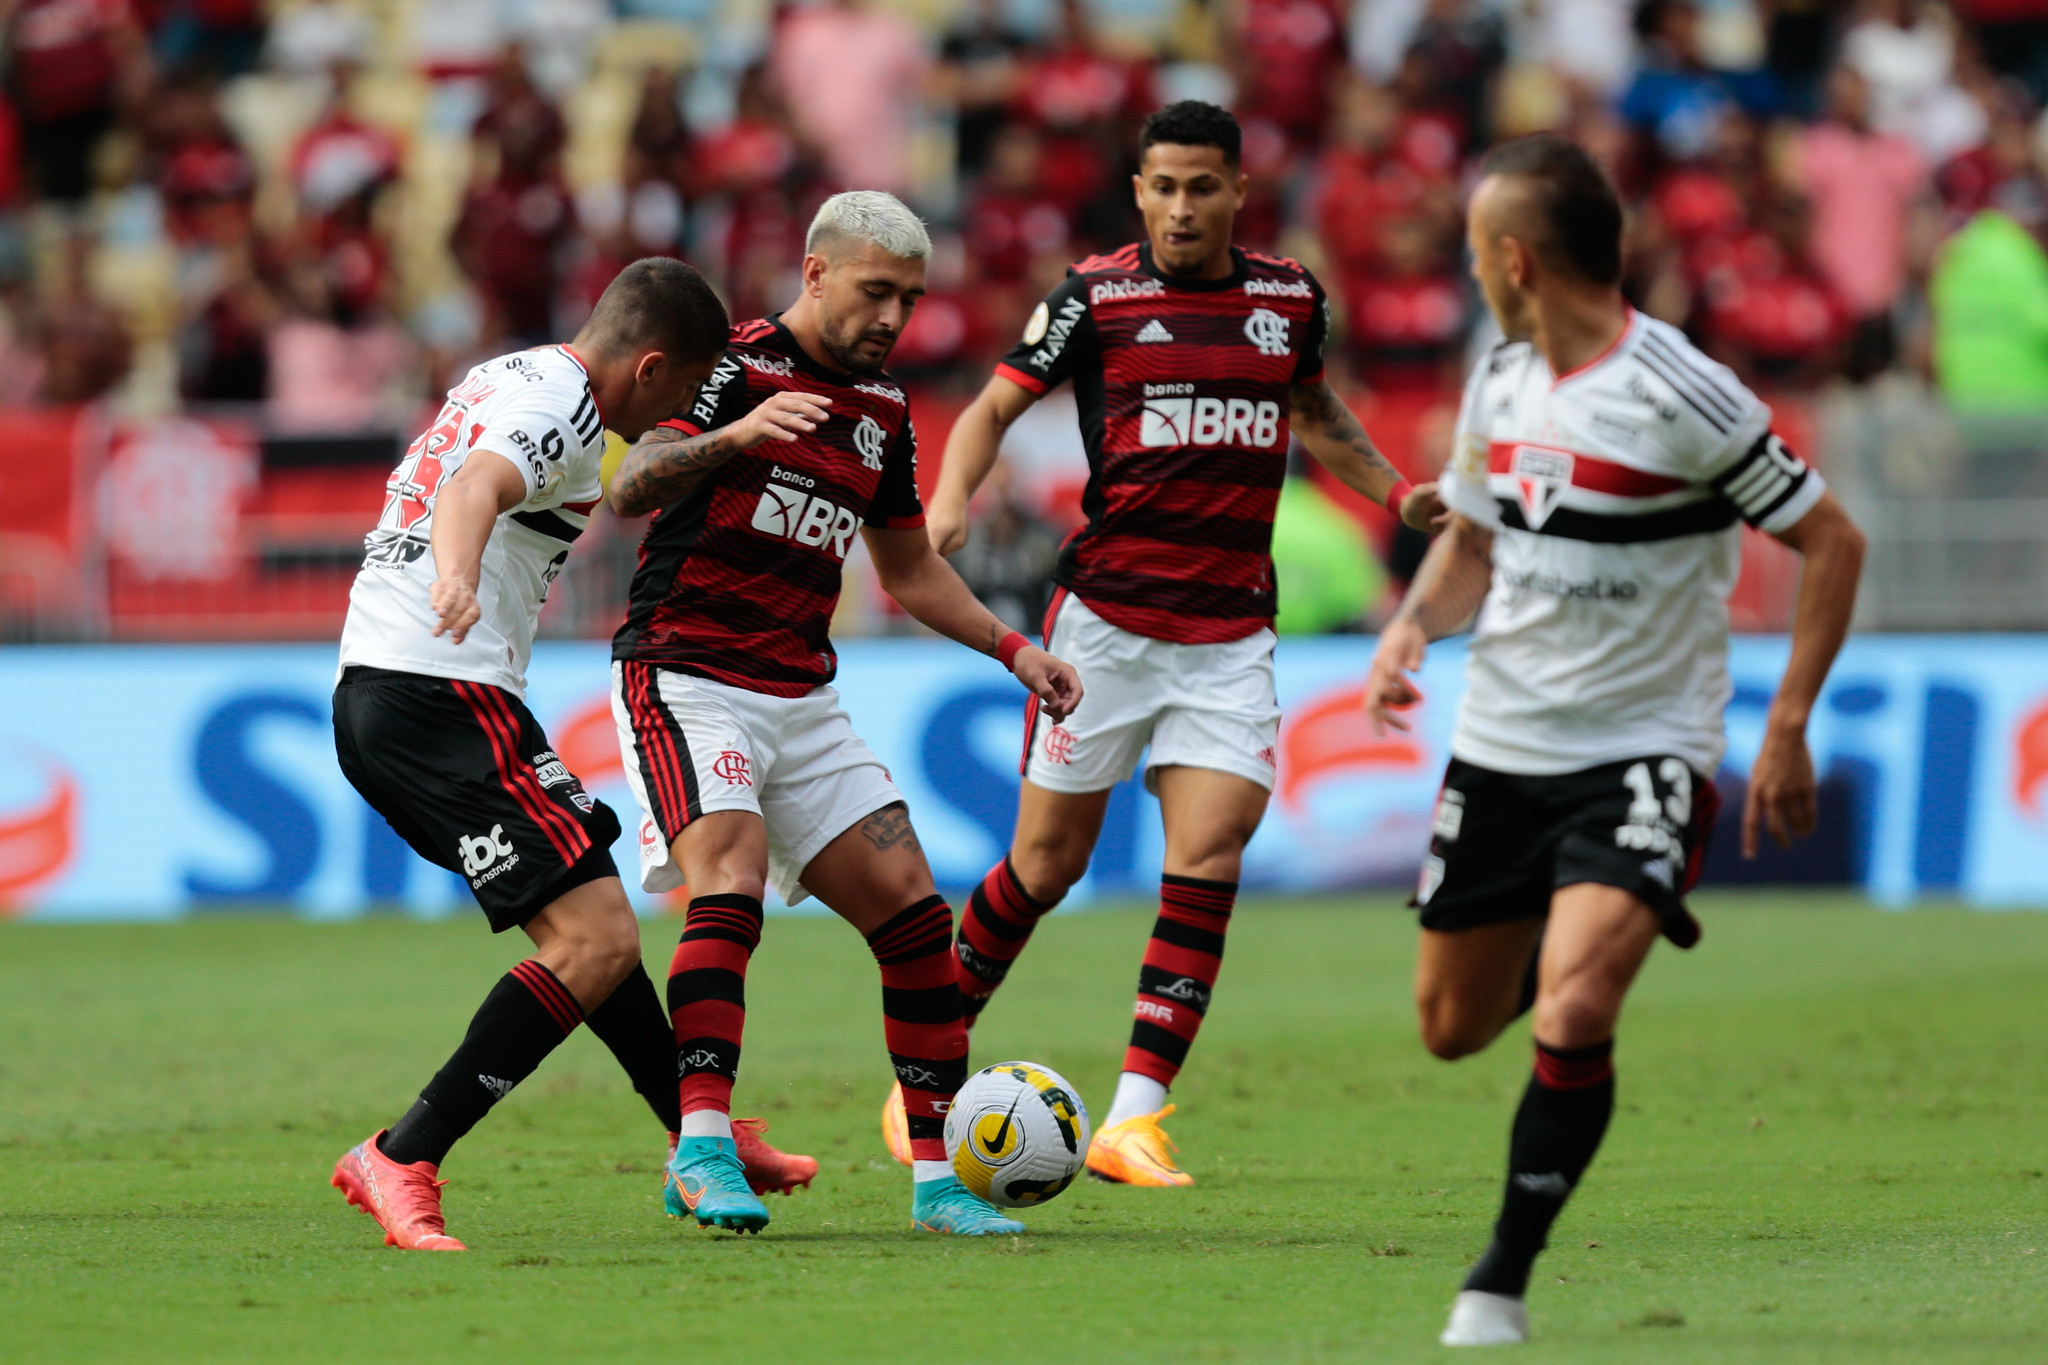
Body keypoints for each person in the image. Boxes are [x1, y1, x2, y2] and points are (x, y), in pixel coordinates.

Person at [1360, 135, 1866, 1346]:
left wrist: (1785, 720)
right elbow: (1473, 539)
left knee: (1574, 1010)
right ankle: (1573, 905)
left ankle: (1496, 1280)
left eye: (1478, 251)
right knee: (1448, 1028)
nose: (1474, 272)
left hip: (1644, 745)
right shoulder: (1497, 378)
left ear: (1515, 258)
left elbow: (1830, 541)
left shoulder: (1683, 393)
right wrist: (1408, 629)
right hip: (1501, 743)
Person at [908, 101, 1440, 1186]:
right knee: (1044, 866)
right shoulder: (1094, 298)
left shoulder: (1288, 298)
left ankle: (1133, 1119)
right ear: (1138, 192)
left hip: (1230, 632)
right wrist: (950, 498)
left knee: (1207, 859)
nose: (1183, 206)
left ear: (1238, 191)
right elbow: (989, 409)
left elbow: (1317, 413)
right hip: (1103, 624)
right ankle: (919, 1071)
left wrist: (1397, 494)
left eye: (1203, 186)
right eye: (1164, 187)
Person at [605, 192, 1084, 1237]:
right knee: (723, 878)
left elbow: (909, 571)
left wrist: (1014, 649)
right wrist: (733, 435)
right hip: (686, 673)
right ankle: (698, 1146)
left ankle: (939, 1182)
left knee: (915, 915)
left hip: (798, 692)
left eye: (908, 300)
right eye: (876, 291)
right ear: (816, 274)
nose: (891, 317)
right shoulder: (728, 363)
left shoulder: (884, 410)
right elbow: (631, 483)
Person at [327, 258, 816, 1253]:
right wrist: (458, 576)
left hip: (411, 688)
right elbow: (473, 488)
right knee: (593, 941)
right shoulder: (563, 409)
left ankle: (698, 1134)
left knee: (593, 923)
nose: (678, 410)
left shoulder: (515, 371)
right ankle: (403, 1153)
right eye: (681, 390)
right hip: (436, 690)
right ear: (647, 366)